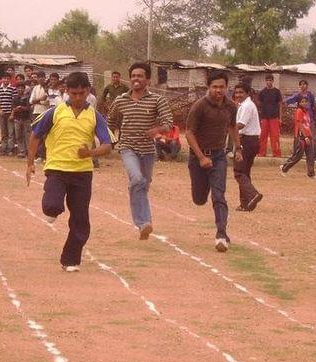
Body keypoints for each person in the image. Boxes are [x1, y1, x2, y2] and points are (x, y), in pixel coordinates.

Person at [25, 72, 114, 272]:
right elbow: (35, 136)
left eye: (82, 93)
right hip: (57, 168)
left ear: (88, 91)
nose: (78, 97)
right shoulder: (54, 112)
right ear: (67, 92)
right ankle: (53, 210)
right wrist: (30, 163)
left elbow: (107, 145)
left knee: (81, 220)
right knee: (51, 205)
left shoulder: (95, 116)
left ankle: (70, 260)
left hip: (82, 173)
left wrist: (89, 152)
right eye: (74, 93)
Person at [108, 62, 173, 240]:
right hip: (127, 148)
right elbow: (110, 122)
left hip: (148, 151)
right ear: (129, 79)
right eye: (133, 76)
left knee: (143, 184)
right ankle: (143, 222)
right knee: (137, 179)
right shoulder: (120, 100)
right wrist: (109, 141)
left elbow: (168, 123)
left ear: (148, 79)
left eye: (140, 76)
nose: (136, 79)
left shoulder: (157, 100)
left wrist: (158, 130)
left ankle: (143, 220)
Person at [185, 70, 238, 253]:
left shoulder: (231, 106)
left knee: (219, 195)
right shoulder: (199, 106)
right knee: (199, 199)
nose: (218, 90)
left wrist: (238, 148)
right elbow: (189, 133)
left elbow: (232, 127)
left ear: (226, 87)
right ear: (208, 87)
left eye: (221, 87)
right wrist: (201, 157)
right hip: (197, 157)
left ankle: (221, 234)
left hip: (219, 157)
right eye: (214, 87)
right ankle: (202, 189)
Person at [232, 82, 263, 212]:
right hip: (252, 140)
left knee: (239, 172)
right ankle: (246, 203)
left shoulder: (246, 106)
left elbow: (240, 125)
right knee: (244, 172)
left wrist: (226, 127)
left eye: (241, 92)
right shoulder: (245, 105)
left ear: (247, 93)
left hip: (247, 141)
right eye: (236, 92)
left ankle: (253, 194)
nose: (238, 95)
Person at [285, 80, 316, 160]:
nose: (303, 86)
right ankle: (295, 154)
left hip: (310, 119)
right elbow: (288, 101)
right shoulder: (298, 95)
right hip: (301, 120)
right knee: (298, 137)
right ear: (299, 86)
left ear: (307, 86)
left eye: (304, 84)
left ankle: (315, 155)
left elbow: (315, 106)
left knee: (312, 137)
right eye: (301, 85)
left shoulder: (310, 95)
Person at [280, 98, 316, 178]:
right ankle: (284, 168)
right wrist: (304, 136)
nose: (304, 103)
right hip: (302, 136)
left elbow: (307, 125)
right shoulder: (299, 111)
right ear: (299, 103)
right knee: (298, 156)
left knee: (310, 155)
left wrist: (310, 135)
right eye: (302, 102)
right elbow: (299, 124)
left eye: (305, 102)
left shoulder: (306, 112)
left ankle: (311, 173)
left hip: (309, 135)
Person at [257, 74, 283, 158]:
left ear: (273, 81)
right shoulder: (262, 92)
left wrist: (280, 118)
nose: (268, 82)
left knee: (275, 136)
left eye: (270, 80)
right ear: (265, 81)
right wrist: (259, 117)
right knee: (263, 136)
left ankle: (276, 154)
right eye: (267, 80)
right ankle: (261, 152)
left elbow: (280, 105)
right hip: (264, 117)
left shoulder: (277, 92)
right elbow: (259, 105)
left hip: (274, 117)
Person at [29, 71, 49, 161]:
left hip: (45, 112)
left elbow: (47, 101)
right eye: (39, 77)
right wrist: (40, 99)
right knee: (37, 134)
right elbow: (31, 101)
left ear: (45, 78)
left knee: (45, 135)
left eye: (42, 77)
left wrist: (38, 101)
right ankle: (39, 155)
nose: (41, 79)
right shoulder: (36, 88)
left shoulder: (47, 88)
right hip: (36, 112)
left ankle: (45, 155)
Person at [0, 73, 17, 155]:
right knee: (3, 132)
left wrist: (12, 114)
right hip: (2, 113)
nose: (6, 80)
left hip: (9, 113)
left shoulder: (13, 89)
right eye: (4, 78)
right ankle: (3, 149)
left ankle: (10, 149)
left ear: (10, 80)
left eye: (8, 78)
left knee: (11, 132)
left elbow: (14, 102)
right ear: (2, 79)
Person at [10, 82, 31, 158]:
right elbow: (13, 108)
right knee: (18, 136)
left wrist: (21, 108)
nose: (20, 89)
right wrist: (16, 109)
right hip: (17, 119)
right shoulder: (15, 98)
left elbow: (29, 108)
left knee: (27, 135)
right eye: (19, 88)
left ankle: (29, 152)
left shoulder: (27, 98)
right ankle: (22, 151)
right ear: (17, 89)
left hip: (26, 119)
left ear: (24, 89)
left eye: (22, 88)